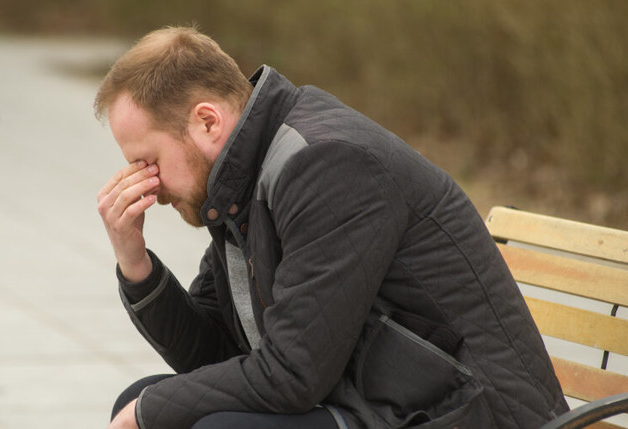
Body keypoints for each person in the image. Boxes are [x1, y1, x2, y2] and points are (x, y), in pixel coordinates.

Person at [94, 26, 568, 429]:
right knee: (143, 401)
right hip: (382, 403)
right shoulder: (242, 181)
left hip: (464, 414)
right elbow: (215, 359)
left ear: (207, 122)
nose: (148, 188)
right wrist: (135, 263)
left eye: (148, 162)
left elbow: (292, 376)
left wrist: (149, 412)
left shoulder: (327, 165)